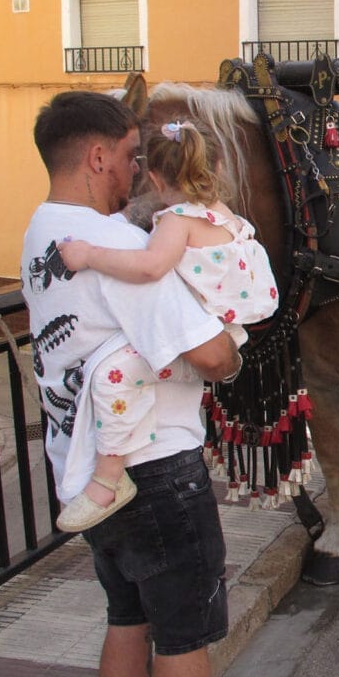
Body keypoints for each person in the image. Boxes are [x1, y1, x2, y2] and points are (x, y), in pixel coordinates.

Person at [23, 91, 241, 677]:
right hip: (157, 473)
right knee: (182, 637)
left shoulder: (42, 230)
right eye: (125, 156)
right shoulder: (117, 244)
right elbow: (209, 355)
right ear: (96, 155)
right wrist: (231, 344)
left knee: (126, 617)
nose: (134, 170)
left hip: (89, 469)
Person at [54, 119, 279, 532]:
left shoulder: (177, 219)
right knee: (134, 376)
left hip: (197, 344)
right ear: (218, 170)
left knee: (111, 376)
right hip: (228, 337)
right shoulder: (225, 218)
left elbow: (150, 266)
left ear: (155, 177)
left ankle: (107, 478)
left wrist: (88, 255)